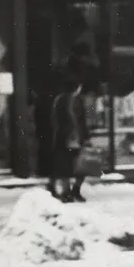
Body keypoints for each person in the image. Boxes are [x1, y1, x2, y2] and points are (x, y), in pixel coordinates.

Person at [48, 68, 89, 203]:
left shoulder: (59, 100)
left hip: (63, 137)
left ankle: (67, 192)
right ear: (77, 87)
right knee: (77, 166)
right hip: (72, 137)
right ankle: (73, 191)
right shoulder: (75, 101)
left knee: (65, 166)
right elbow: (82, 120)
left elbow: (54, 120)